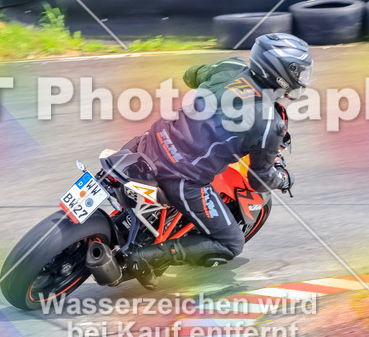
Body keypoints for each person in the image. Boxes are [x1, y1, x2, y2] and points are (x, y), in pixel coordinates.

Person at [113, 33, 313, 281]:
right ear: (284, 73)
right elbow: (258, 181)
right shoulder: (270, 123)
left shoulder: (231, 67)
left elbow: (191, 75)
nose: (304, 79)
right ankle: (146, 257)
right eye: (301, 73)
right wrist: (282, 179)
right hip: (181, 177)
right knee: (231, 244)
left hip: (147, 143)